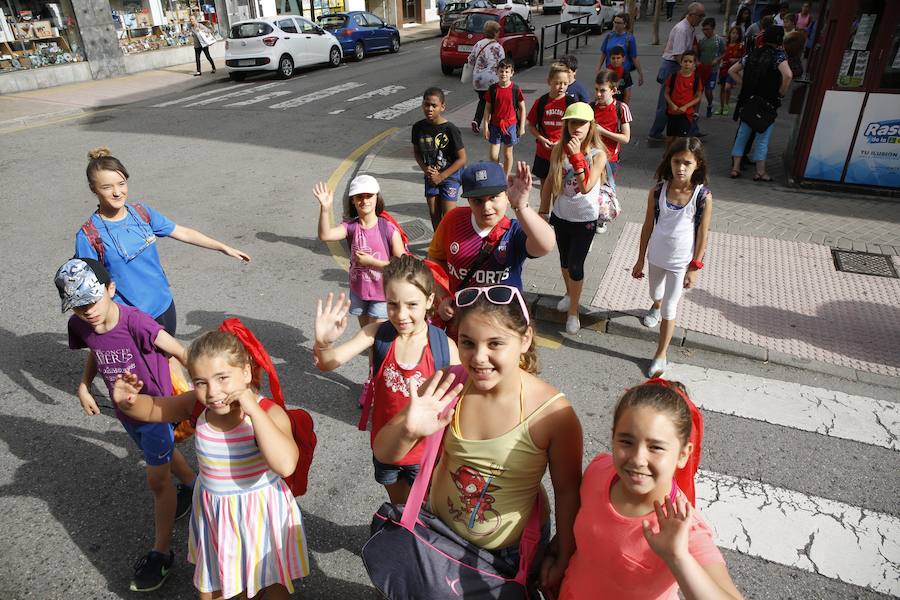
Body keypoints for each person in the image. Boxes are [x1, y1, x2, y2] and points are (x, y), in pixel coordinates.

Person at [373, 287, 584, 595]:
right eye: (467, 343)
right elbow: (384, 451)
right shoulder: (449, 384)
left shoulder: (554, 414)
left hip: (506, 558)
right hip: (438, 535)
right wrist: (409, 430)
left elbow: (568, 493)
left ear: (525, 340)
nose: (479, 358)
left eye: (495, 343)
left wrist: (564, 556)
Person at [111, 325, 309, 600]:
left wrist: (252, 410)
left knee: (268, 586)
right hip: (216, 515)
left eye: (222, 378)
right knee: (214, 588)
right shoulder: (197, 404)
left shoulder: (268, 413)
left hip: (259, 516)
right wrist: (128, 402)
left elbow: (286, 464)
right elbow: (155, 408)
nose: (212, 391)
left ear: (246, 372)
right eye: (201, 381)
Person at [55, 257, 196, 593]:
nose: (88, 310)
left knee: (157, 482)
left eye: (93, 300)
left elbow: (180, 350)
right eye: (78, 306)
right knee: (156, 454)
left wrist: (219, 384)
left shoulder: (136, 323)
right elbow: (96, 348)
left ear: (111, 289)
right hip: (125, 413)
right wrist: (84, 384)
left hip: (157, 412)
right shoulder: (82, 325)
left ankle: (161, 553)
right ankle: (194, 485)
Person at [555, 380, 743, 600]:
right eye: (626, 442)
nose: (637, 459)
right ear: (613, 437)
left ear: (683, 454)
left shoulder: (682, 528)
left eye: (656, 447)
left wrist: (678, 557)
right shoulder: (599, 470)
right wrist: (557, 556)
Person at [313, 256, 459, 504]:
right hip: (386, 448)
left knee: (425, 512)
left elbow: (459, 403)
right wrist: (324, 343)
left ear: (430, 301)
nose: (401, 314)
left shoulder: (445, 347)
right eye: (392, 304)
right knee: (399, 507)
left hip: (427, 454)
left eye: (412, 304)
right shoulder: (377, 333)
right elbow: (328, 363)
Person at [75, 147, 250, 338]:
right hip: (130, 317)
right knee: (144, 367)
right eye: (107, 187)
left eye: (121, 183)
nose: (117, 192)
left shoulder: (142, 213)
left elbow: (182, 232)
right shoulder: (88, 235)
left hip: (164, 305)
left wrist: (222, 247)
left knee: (166, 363)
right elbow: (87, 289)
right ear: (94, 189)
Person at [428, 161, 556, 326]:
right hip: (462, 322)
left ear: (506, 195)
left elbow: (546, 245)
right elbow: (435, 260)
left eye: (494, 197)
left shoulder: (514, 231)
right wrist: (442, 296)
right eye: (477, 201)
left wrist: (522, 206)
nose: (487, 207)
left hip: (503, 324)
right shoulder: (453, 220)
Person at [632, 138, 712, 378]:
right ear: (669, 161)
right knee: (655, 294)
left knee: (670, 306)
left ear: (697, 164)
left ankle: (661, 354)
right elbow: (647, 225)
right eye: (677, 161)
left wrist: (694, 267)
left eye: (687, 163)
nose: (681, 168)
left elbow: (702, 234)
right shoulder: (658, 190)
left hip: (680, 262)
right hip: (656, 256)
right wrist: (639, 259)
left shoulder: (703, 196)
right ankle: (654, 305)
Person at [542, 103, 608, 334]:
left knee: (576, 265)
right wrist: (542, 211)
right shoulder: (559, 149)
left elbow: (586, 186)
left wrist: (578, 156)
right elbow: (550, 179)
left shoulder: (599, 155)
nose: (577, 127)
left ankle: (573, 311)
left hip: (585, 219)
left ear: (591, 126)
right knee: (563, 261)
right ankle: (570, 293)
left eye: (582, 123)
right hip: (561, 215)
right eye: (573, 122)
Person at [314, 175, 405, 327]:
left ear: (377, 197)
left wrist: (371, 262)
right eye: (359, 197)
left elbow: (402, 265)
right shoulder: (351, 227)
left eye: (369, 196)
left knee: (373, 337)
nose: (365, 201)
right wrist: (325, 209)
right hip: (359, 291)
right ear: (353, 200)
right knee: (366, 337)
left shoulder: (388, 229)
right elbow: (325, 235)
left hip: (383, 293)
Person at [728, 26, 792, 181]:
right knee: (762, 137)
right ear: (779, 39)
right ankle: (760, 171)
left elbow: (732, 70)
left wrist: (745, 84)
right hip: (767, 102)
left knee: (742, 134)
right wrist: (781, 93)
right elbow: (788, 75)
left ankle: (735, 168)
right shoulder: (779, 56)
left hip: (749, 99)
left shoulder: (752, 53)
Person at [648, 3, 706, 143]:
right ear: (692, 14)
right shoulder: (682, 29)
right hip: (673, 66)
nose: (701, 19)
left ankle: (691, 130)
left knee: (685, 98)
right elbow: (678, 54)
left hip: (678, 65)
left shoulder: (689, 28)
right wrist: (687, 70)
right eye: (700, 16)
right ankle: (656, 132)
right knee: (666, 102)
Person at [412, 87, 468, 230]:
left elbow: (462, 159)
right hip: (431, 177)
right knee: (434, 213)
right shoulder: (418, 128)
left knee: (448, 214)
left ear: (442, 107)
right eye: (426, 104)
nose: (429, 109)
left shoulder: (450, 129)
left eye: (434, 106)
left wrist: (441, 176)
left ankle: (450, 243)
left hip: (450, 176)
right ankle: (438, 244)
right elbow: (417, 152)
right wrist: (426, 170)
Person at [527, 63, 574, 217]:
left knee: (558, 186)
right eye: (558, 83)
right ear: (549, 82)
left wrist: (564, 143)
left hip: (563, 153)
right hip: (543, 151)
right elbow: (531, 125)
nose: (561, 87)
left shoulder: (571, 103)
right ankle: (544, 213)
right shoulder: (541, 102)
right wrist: (541, 138)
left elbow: (578, 129)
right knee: (544, 184)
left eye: (565, 83)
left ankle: (557, 213)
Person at [483, 58, 527, 176]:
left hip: (510, 126)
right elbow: (487, 109)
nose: (504, 74)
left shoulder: (515, 89)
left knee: (508, 154)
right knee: (493, 156)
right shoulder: (493, 89)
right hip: (495, 126)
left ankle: (505, 177)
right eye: (501, 71)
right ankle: (498, 172)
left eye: (507, 72)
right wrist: (485, 127)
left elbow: (522, 108)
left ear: (512, 73)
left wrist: (522, 126)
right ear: (497, 72)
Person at [467, 20, 505, 134]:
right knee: (493, 102)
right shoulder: (498, 47)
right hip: (492, 80)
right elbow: (502, 64)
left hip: (478, 79)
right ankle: (492, 125)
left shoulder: (478, 44)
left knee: (483, 100)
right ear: (494, 32)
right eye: (498, 31)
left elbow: (470, 59)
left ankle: (476, 120)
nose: (499, 33)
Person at [593, 69, 632, 178]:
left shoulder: (621, 108)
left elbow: (626, 138)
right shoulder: (591, 107)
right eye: (596, 89)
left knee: (605, 192)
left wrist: (602, 131)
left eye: (603, 90)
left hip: (610, 160)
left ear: (613, 90)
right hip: (591, 157)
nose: (598, 94)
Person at [597, 12, 644, 102]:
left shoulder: (629, 38)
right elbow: (603, 53)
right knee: (607, 96)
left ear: (625, 24)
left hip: (623, 74)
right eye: (615, 22)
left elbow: (634, 57)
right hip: (609, 72)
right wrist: (598, 68)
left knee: (622, 97)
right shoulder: (609, 36)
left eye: (619, 23)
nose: (615, 25)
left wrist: (640, 74)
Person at [664, 50, 702, 143]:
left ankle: (679, 156)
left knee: (681, 140)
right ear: (681, 62)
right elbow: (666, 93)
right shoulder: (673, 76)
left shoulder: (696, 79)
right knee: (670, 138)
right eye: (685, 61)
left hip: (686, 114)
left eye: (690, 61)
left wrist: (686, 106)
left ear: (694, 64)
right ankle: (668, 156)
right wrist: (672, 104)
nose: (687, 64)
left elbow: (698, 97)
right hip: (672, 112)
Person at [697, 17, 725, 119]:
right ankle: (696, 113)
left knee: (708, 91)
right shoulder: (701, 40)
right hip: (701, 69)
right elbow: (698, 53)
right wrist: (698, 61)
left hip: (712, 70)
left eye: (707, 29)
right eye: (703, 29)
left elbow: (724, 52)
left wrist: (717, 59)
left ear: (713, 28)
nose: (705, 32)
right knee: (698, 91)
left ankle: (710, 105)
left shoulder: (719, 40)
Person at [716, 26, 744, 115]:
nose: (734, 35)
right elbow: (720, 55)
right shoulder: (726, 45)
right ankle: (721, 107)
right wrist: (720, 63)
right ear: (730, 34)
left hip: (732, 70)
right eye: (733, 33)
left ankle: (726, 105)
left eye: (737, 33)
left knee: (727, 87)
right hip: (723, 69)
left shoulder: (740, 46)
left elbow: (743, 58)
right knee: (722, 88)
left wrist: (735, 60)